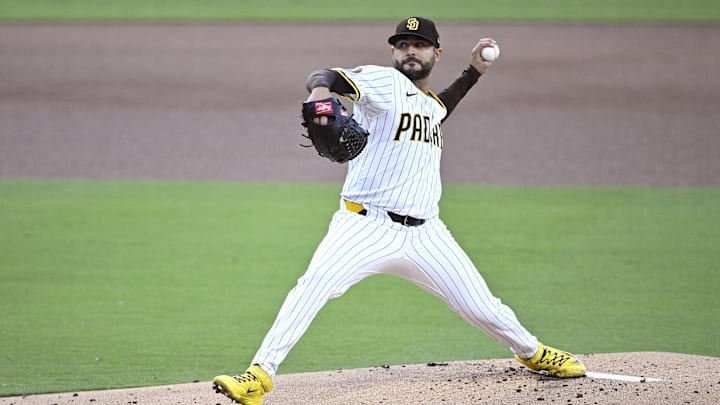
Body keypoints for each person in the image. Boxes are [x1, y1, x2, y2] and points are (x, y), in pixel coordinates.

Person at [213, 16, 586, 405]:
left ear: (436, 53)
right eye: (403, 44)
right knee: (313, 286)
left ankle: (533, 352)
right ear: (393, 51)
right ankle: (258, 376)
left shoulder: (430, 107)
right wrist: (320, 93)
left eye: (420, 44)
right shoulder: (381, 82)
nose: (410, 50)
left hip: (427, 235)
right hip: (363, 227)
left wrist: (474, 71)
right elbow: (322, 75)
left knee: (483, 307)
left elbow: (442, 106)